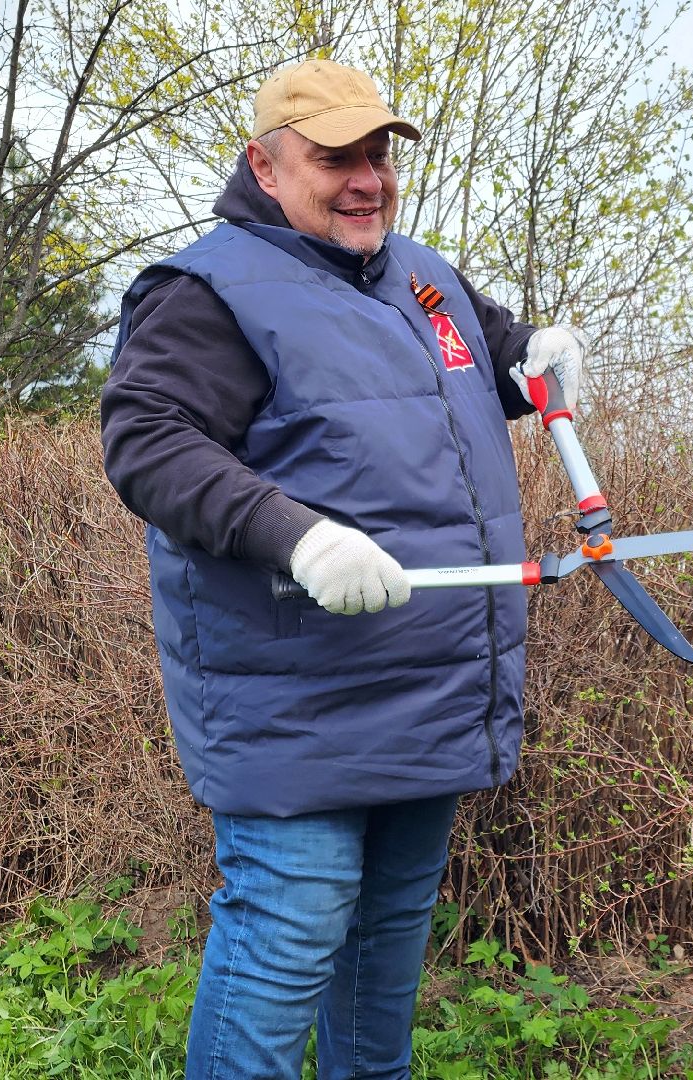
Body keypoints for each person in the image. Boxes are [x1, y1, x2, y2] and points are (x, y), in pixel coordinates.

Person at [99, 58, 585, 1080]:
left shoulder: (417, 274)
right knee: (287, 936)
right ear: (265, 168)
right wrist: (297, 533)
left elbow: (488, 360)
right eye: (335, 159)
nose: (366, 178)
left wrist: (537, 353)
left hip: (428, 684)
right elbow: (148, 440)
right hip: (297, 699)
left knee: (386, 943)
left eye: (377, 155)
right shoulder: (209, 291)